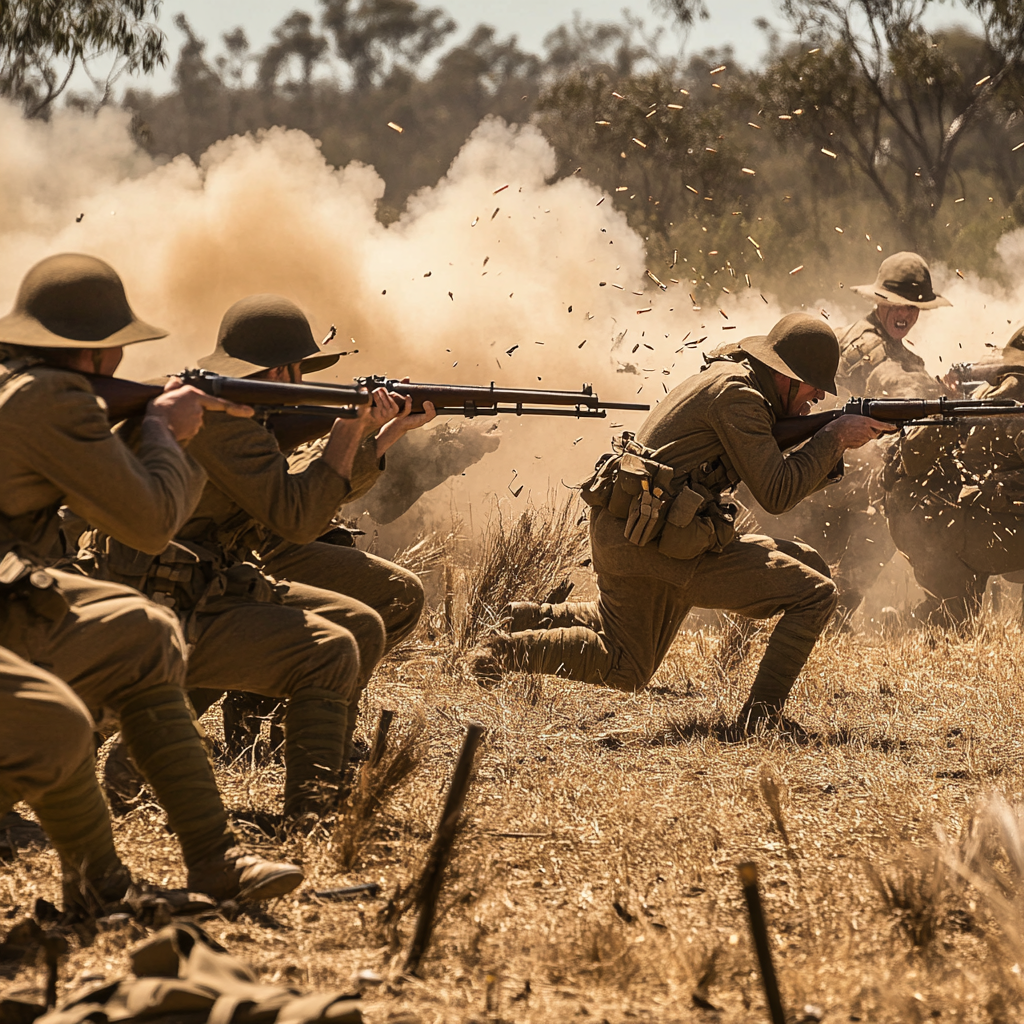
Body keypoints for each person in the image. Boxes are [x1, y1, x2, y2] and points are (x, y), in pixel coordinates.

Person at [0, 253, 303, 904]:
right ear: (101, 354)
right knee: (58, 720)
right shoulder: (54, 399)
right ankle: (107, 887)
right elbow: (150, 523)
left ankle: (212, 862)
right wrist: (170, 431)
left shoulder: (18, 388)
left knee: (143, 631)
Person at [82, 294, 433, 819]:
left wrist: (380, 435)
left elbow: (298, 496)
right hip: (159, 596)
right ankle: (312, 808)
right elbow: (294, 518)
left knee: (356, 625)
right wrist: (347, 430)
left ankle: (314, 771)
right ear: (281, 369)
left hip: (203, 583)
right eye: (300, 371)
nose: (303, 383)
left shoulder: (237, 416)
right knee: (330, 640)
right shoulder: (222, 421)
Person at [468, 313, 893, 731]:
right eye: (814, 388)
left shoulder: (731, 381)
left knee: (810, 565)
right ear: (786, 376)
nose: (818, 398)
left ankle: (518, 619)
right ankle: (504, 651)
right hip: (651, 542)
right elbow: (776, 494)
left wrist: (830, 450)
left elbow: (769, 478)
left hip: (646, 532)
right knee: (628, 666)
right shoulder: (738, 398)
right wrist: (833, 438)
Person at [752, 252, 953, 621]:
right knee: (893, 494)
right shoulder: (867, 344)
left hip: (833, 461)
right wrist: (939, 398)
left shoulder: (895, 349)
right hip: (820, 461)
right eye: (896, 305)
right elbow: (894, 380)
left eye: (913, 307)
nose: (904, 314)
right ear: (880, 302)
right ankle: (837, 610)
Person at [883, 325, 1024, 626]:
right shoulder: (1004, 393)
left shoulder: (991, 390)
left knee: (954, 621)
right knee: (954, 621)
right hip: (959, 524)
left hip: (953, 522)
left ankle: (916, 622)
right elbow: (914, 458)